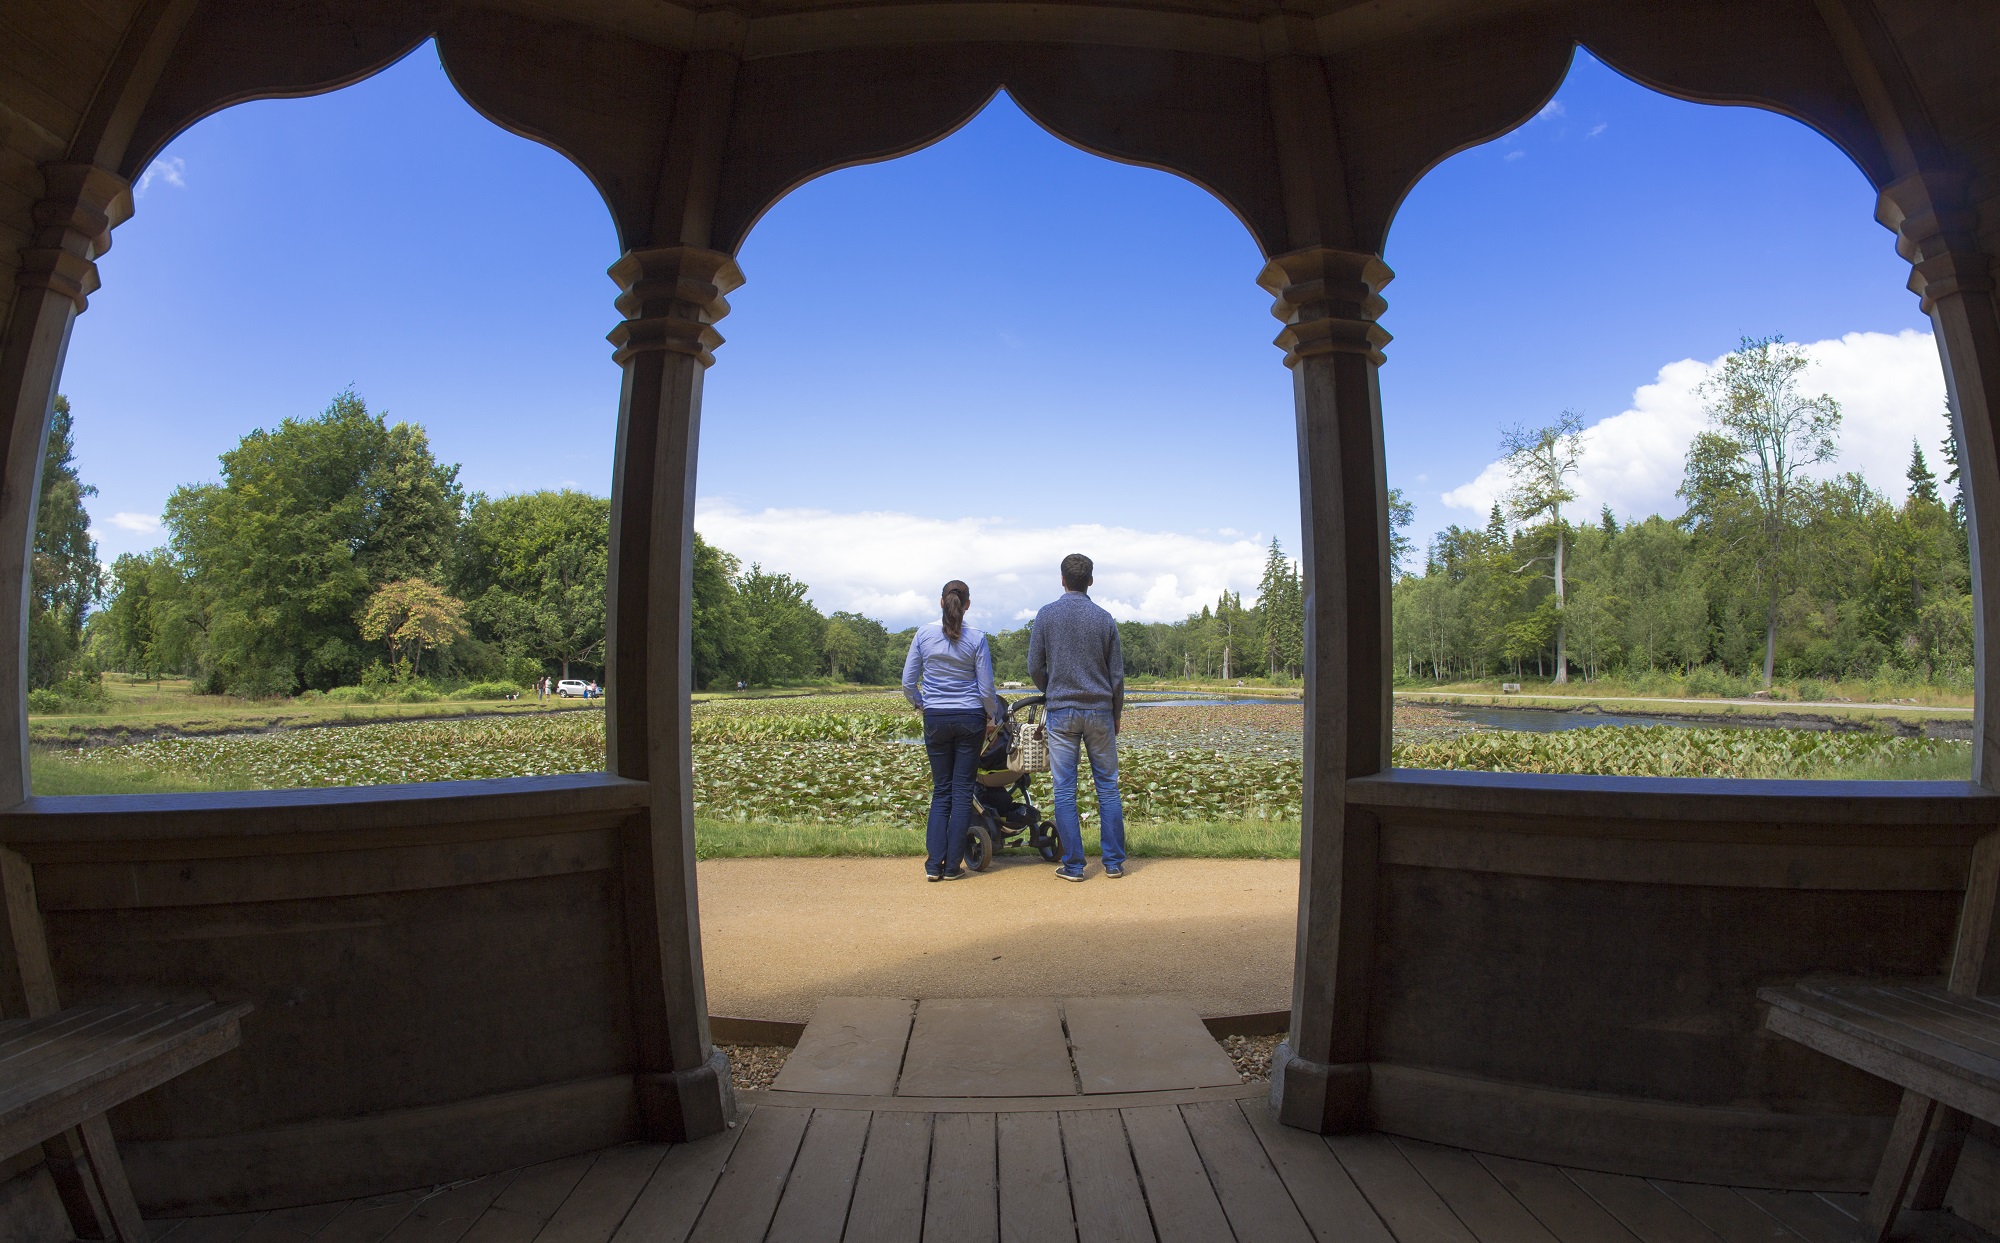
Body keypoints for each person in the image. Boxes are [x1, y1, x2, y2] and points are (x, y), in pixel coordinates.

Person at [1028, 553, 1127, 881]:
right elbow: (1117, 677)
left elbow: (1034, 667)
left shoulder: (1046, 615)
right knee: (1108, 788)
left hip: (1061, 712)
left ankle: (1073, 866)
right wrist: (1116, 713)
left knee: (1065, 789)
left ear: (1062, 579)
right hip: (1099, 711)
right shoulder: (1104, 618)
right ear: (1090, 581)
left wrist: (1052, 688)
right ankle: (1113, 862)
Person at [901, 579, 1001, 881]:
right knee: (961, 794)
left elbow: (908, 682)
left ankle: (934, 865)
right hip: (970, 718)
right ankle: (953, 866)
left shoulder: (923, 633)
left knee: (941, 792)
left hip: (936, 719)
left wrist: (921, 704)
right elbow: (986, 688)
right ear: (967, 604)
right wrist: (991, 716)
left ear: (941, 601)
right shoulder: (977, 637)